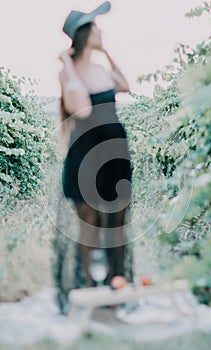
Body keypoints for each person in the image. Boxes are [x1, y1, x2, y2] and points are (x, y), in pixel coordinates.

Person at [52, 1, 134, 315]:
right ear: (85, 33)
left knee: (117, 222)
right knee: (88, 224)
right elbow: (83, 109)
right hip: (85, 152)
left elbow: (125, 85)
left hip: (114, 151)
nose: (101, 31)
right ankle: (89, 288)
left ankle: (115, 286)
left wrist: (105, 52)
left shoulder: (100, 68)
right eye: (96, 27)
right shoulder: (67, 72)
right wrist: (68, 63)